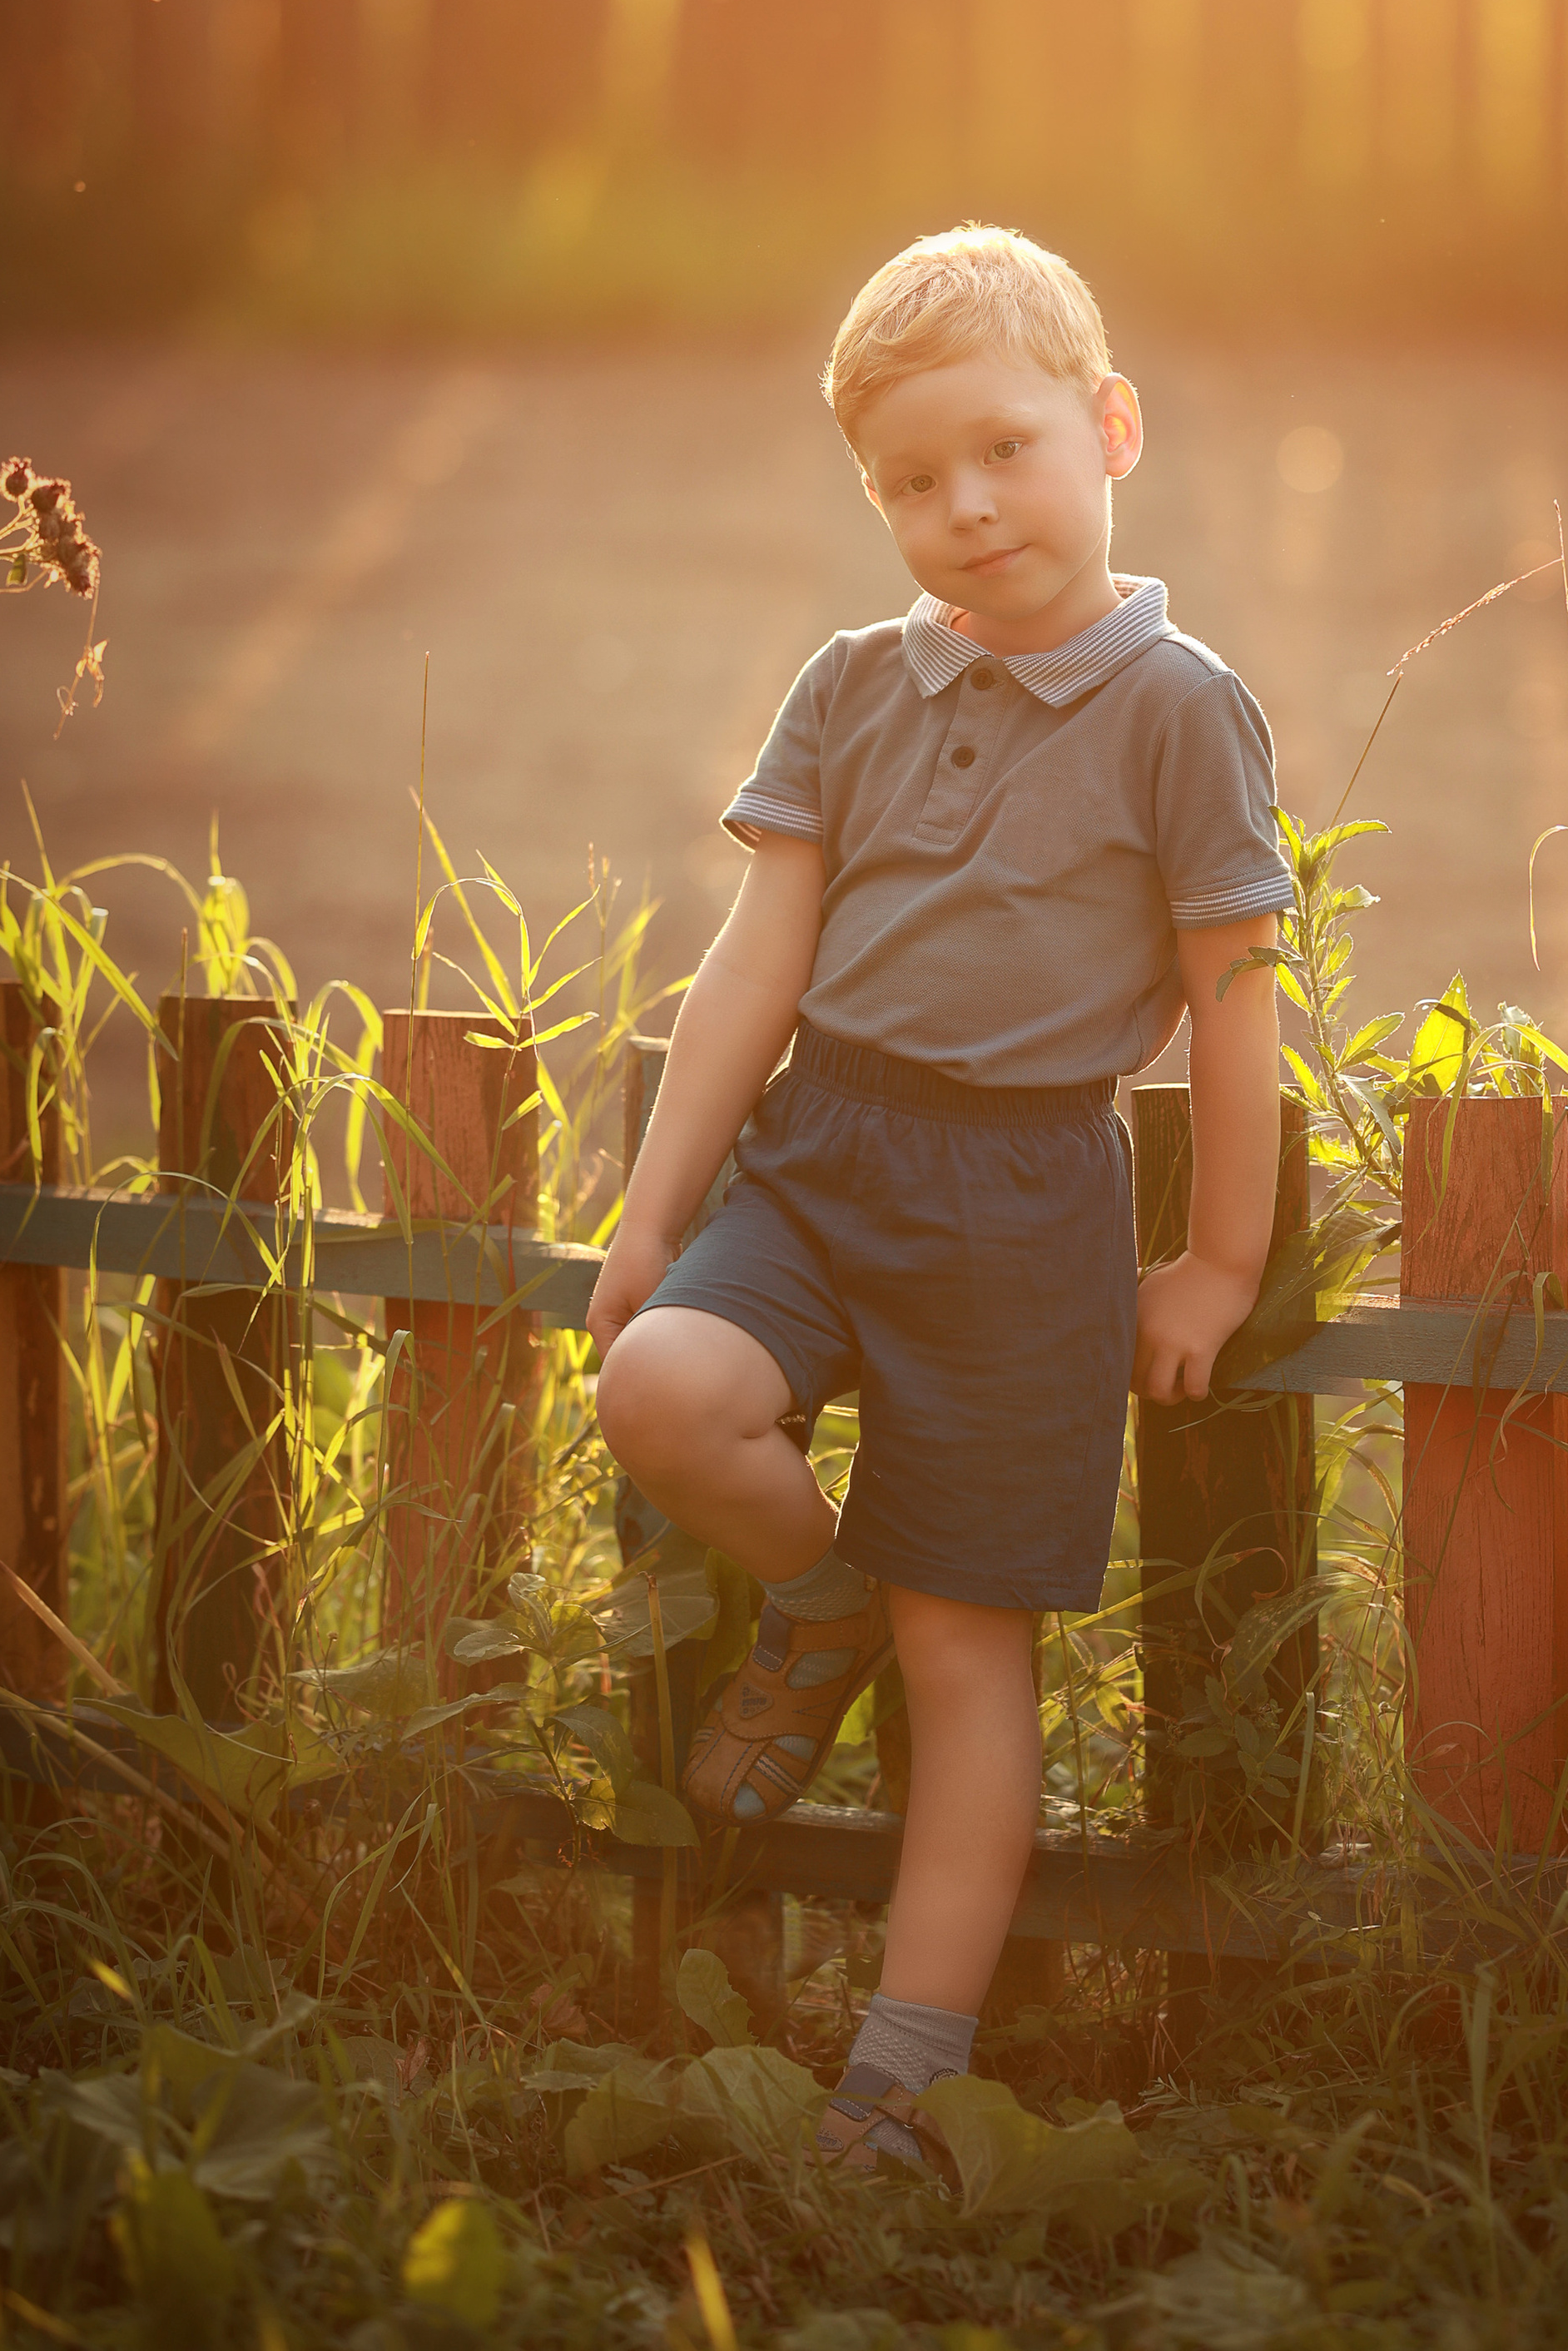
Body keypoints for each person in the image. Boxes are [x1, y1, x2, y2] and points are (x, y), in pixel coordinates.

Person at [585, 225, 1290, 2167]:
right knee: (660, 1388)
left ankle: (898, 2077)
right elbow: (755, 961)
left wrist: (1216, 1257)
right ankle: (816, 1605)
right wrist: (652, 1212)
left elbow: (1233, 994)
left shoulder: (1180, 707)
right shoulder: (846, 688)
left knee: (968, 1651)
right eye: (910, 481)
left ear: (1109, 429)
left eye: (1002, 450)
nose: (963, 507)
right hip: (823, 1154)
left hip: (1023, 1203)